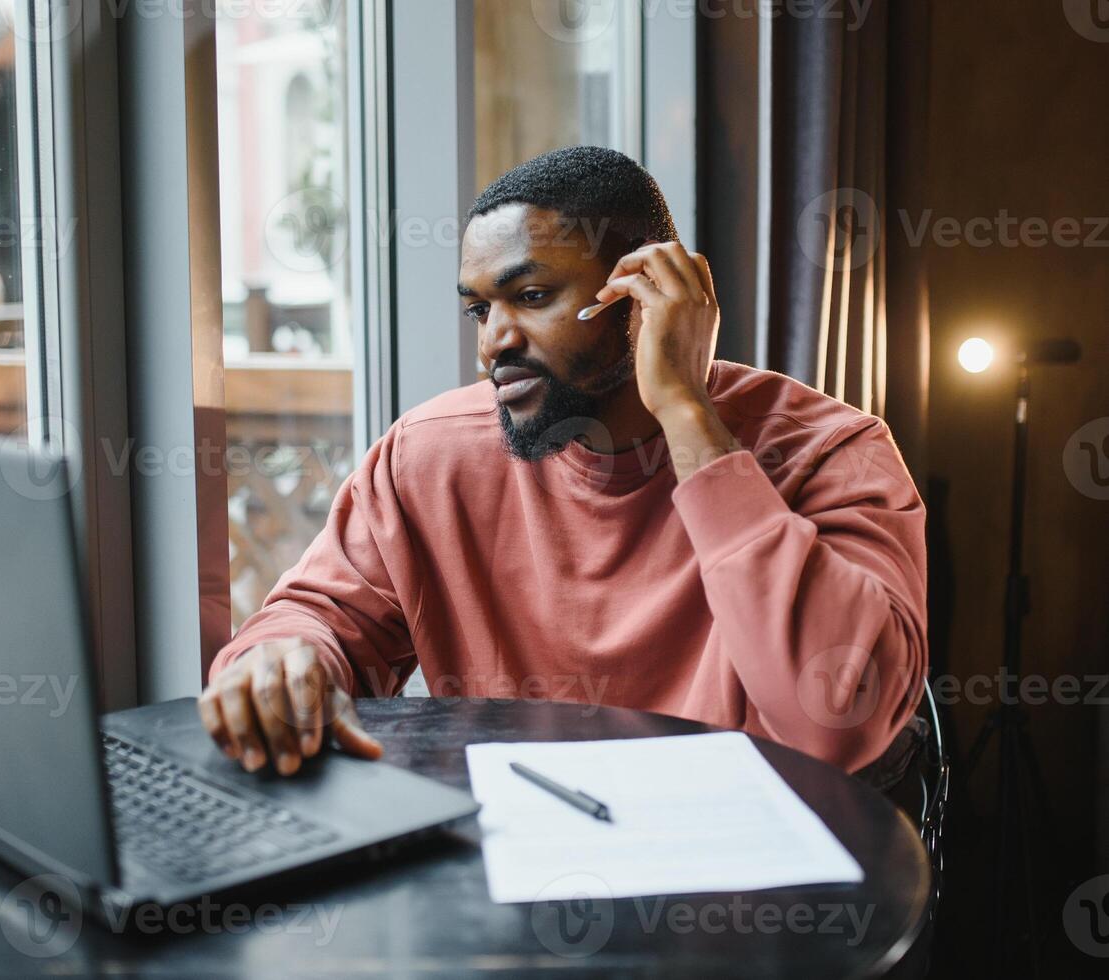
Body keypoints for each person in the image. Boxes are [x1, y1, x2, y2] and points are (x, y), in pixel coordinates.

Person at [199, 145, 927, 780]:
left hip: (754, 895)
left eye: (532, 295)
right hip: (512, 870)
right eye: (481, 311)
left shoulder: (831, 451)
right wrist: (278, 659)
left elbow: (839, 717)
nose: (494, 343)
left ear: (640, 293)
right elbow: (317, 619)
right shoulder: (429, 458)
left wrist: (684, 412)